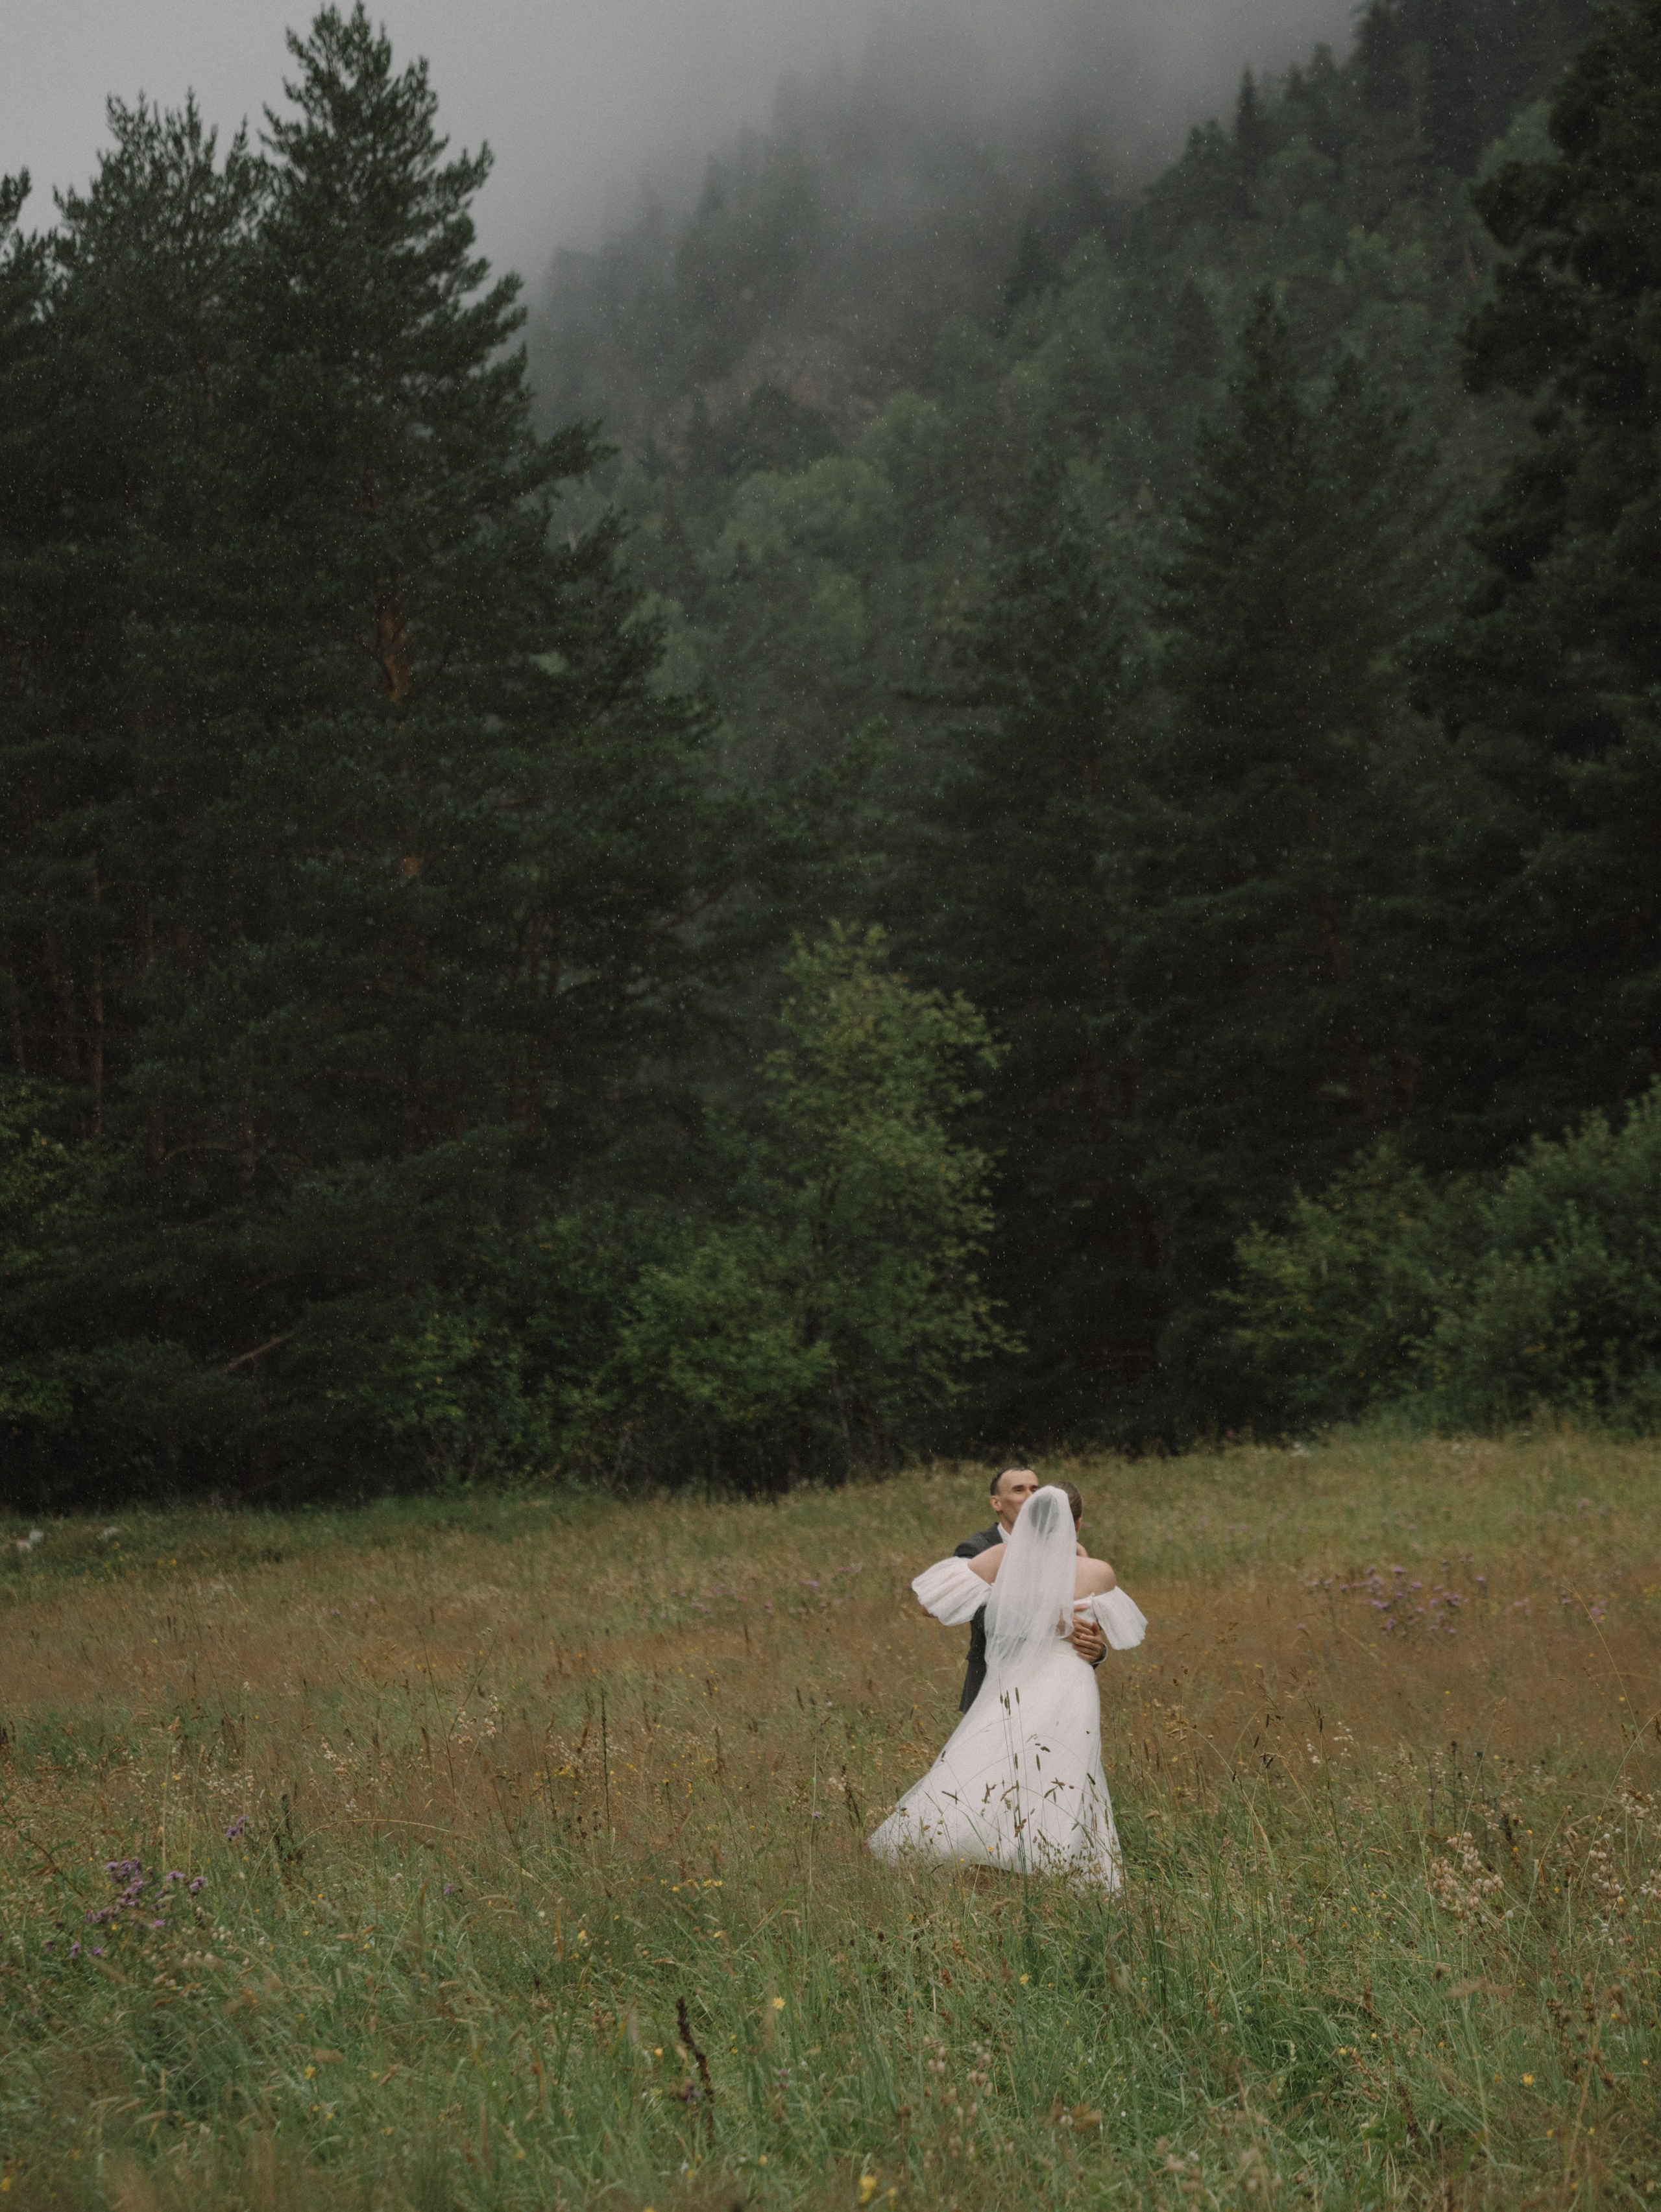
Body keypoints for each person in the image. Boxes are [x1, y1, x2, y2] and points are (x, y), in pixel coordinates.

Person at [867, 1483, 1146, 1886]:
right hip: (1070, 1681)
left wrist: (1007, 1603)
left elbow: (930, 1603)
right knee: (1066, 1768)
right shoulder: (1098, 1572)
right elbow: (1122, 1632)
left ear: (1030, 1518)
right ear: (1079, 1525)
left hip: (1016, 1677)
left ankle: (974, 1845)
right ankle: (1053, 1863)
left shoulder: (1002, 1559)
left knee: (991, 1757)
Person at [954, 1467, 1106, 1711]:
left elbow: (1084, 1616)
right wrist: (1046, 1621)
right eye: (1018, 1490)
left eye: (1035, 1489)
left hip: (1057, 1686)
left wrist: (1096, 1650)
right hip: (994, 1683)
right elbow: (979, 1615)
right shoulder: (978, 1549)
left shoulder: (1071, 1551)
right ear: (996, 1502)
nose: (1029, 1496)